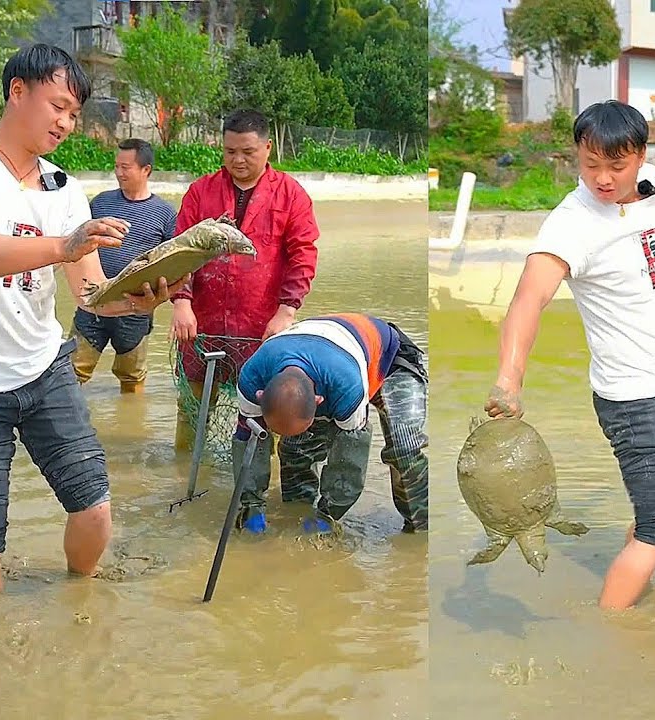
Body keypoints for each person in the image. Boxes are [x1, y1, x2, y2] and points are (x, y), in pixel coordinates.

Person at [0, 44, 188, 600]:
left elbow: (89, 291)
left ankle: (79, 603)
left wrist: (131, 301)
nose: (67, 123)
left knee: (95, 511)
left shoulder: (64, 188)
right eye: (59, 107)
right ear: (18, 92)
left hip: (47, 372)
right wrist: (62, 246)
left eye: (74, 113)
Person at [483, 100, 655, 611]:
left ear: (640, 156)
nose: (604, 179)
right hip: (634, 400)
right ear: (577, 157)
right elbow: (528, 300)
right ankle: (611, 635)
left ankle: (631, 588)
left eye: (617, 166)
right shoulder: (572, 224)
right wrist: (509, 378)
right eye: (591, 166)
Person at [169, 108, 320, 451]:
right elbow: (180, 250)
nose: (237, 160)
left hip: (261, 327)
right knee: (191, 415)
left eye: (247, 152)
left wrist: (286, 312)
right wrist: (181, 302)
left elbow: (303, 255)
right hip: (202, 326)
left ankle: (256, 486)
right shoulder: (200, 191)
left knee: (259, 418)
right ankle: (185, 477)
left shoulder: (291, 194)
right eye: (230, 151)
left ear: (268, 148)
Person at [232, 313, 428, 534]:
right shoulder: (251, 378)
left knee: (404, 449)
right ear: (260, 395)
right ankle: (296, 513)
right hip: (332, 356)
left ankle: (420, 531)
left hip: (390, 362)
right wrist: (250, 505)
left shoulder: (346, 388)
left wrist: (328, 515)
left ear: (318, 401)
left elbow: (350, 463)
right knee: (295, 451)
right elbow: (247, 442)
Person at [70, 138, 177, 392]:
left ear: (146, 170)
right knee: (72, 372)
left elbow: (173, 262)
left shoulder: (165, 213)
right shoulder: (100, 203)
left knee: (132, 377)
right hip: (93, 301)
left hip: (135, 308)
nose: (118, 172)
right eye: (116, 166)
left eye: (125, 167)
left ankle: (132, 422)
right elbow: (76, 245)